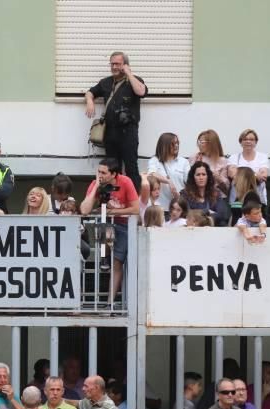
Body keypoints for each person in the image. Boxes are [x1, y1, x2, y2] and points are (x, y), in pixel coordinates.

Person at [85, 51, 148, 190]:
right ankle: (115, 200)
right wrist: (90, 101)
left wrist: (129, 74)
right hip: (110, 132)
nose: (114, 67)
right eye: (112, 64)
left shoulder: (135, 80)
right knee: (112, 170)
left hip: (128, 132)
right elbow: (90, 92)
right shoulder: (106, 82)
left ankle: (135, 202)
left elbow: (141, 92)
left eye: (117, 64)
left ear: (125, 65)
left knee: (131, 168)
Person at [80, 157, 139, 303]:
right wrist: (95, 187)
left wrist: (112, 212)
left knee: (117, 263)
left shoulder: (125, 182)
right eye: (98, 171)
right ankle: (103, 256)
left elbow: (136, 209)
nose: (100, 175)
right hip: (106, 225)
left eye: (103, 173)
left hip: (125, 225)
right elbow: (84, 210)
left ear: (114, 174)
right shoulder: (97, 183)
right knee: (105, 227)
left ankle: (109, 303)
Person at [147, 133, 190, 210]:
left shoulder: (184, 162)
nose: (176, 146)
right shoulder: (155, 160)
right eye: (173, 144)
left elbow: (190, 182)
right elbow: (151, 174)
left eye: (177, 143)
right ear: (164, 145)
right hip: (160, 207)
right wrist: (168, 181)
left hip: (178, 208)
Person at [180, 161, 230, 227]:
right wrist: (208, 211)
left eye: (203, 174)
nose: (201, 178)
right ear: (193, 177)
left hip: (213, 229)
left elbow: (222, 214)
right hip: (193, 229)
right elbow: (188, 215)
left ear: (208, 176)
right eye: (198, 175)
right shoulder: (185, 194)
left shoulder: (216, 193)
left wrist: (199, 214)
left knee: (222, 223)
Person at [227, 129, 269, 205]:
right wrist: (255, 174)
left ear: (256, 142)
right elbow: (232, 174)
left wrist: (241, 174)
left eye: (251, 139)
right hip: (237, 199)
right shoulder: (233, 158)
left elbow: (263, 176)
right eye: (245, 139)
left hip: (258, 199)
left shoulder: (262, 157)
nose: (248, 141)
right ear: (241, 142)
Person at [190, 129, 229, 195]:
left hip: (217, 198)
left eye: (201, 142)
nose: (199, 145)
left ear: (211, 143)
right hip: (197, 196)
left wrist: (218, 178)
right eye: (199, 142)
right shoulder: (194, 158)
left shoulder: (222, 161)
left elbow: (227, 188)